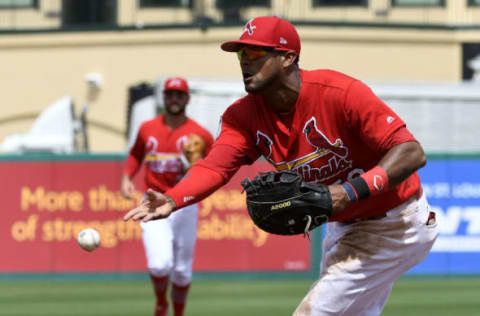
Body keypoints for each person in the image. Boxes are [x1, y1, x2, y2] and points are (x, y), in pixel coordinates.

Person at [124, 16, 439, 316]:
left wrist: (348, 192)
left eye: (254, 52)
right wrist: (173, 198)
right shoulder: (242, 117)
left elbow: (411, 152)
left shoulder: (340, 93)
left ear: (287, 57)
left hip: (398, 222)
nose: (245, 61)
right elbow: (214, 168)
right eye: (240, 55)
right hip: (346, 228)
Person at [121, 76, 214, 316]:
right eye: (170, 94)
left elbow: (215, 165)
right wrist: (126, 178)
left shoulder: (199, 133)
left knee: (182, 270)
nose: (174, 99)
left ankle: (178, 312)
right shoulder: (148, 128)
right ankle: (162, 302)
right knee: (159, 264)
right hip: (152, 202)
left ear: (187, 98)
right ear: (164, 98)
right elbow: (135, 155)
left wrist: (198, 165)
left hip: (184, 203)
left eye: (179, 94)